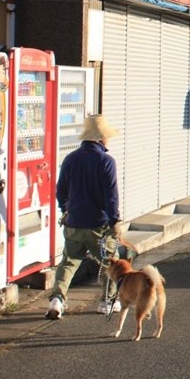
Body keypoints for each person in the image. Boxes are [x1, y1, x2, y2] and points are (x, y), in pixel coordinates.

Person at [45, 114, 124, 319]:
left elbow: (60, 190)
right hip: (98, 224)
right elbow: (111, 195)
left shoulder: (70, 158)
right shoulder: (106, 161)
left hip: (73, 222)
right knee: (109, 263)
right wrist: (115, 220)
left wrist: (66, 210)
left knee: (69, 263)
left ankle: (57, 299)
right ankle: (107, 301)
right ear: (101, 139)